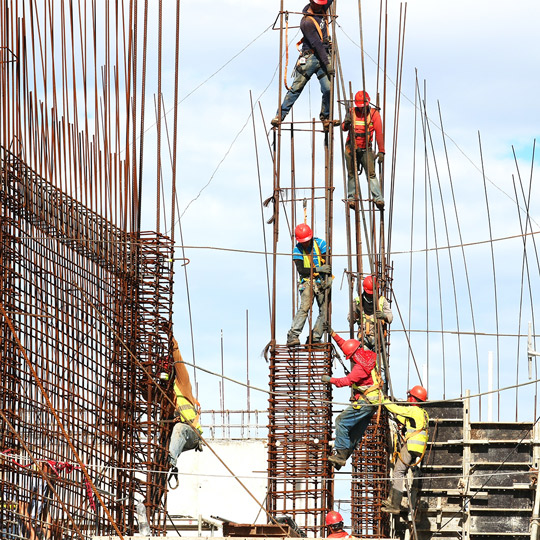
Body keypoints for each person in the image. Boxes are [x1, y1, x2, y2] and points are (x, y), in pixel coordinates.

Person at [271, 0, 336, 129]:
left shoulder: (322, 8)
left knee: (328, 89)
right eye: (318, 4)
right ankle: (280, 116)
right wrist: (327, 64)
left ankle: (326, 117)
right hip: (311, 57)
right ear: (311, 2)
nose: (320, 6)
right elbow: (317, 45)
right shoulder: (306, 22)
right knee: (296, 88)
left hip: (323, 56)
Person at [322, 331, 381, 469]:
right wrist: (333, 334)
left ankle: (341, 455)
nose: (351, 360)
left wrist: (330, 379)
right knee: (355, 433)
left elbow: (346, 381)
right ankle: (341, 458)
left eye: (350, 358)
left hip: (365, 402)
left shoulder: (360, 368)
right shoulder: (368, 356)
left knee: (341, 422)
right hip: (373, 403)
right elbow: (347, 346)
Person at [381, 385, 429, 514]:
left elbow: (397, 409)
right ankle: (392, 500)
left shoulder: (414, 410)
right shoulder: (423, 413)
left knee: (398, 472)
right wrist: (394, 415)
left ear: (414, 399)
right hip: (418, 448)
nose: (408, 398)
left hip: (411, 445)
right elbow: (404, 418)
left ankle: (395, 504)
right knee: (400, 471)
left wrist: (384, 400)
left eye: (410, 396)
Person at [287, 223, 331, 347]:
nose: (305, 243)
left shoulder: (321, 244)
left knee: (325, 311)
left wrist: (328, 277)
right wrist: (318, 269)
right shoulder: (297, 250)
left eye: (307, 241)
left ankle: (315, 338)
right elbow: (301, 270)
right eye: (303, 241)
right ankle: (293, 335)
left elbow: (327, 263)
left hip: (321, 282)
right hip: (307, 282)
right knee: (304, 308)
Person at [168, 337, 203, 489]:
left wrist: (173, 345)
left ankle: (170, 460)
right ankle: (165, 463)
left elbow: (179, 363)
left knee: (179, 428)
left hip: (192, 433)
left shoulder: (181, 384)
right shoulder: (164, 396)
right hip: (176, 439)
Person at [342, 91, 385, 209]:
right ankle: (351, 198)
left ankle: (378, 198)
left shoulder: (374, 114)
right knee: (352, 174)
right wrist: (346, 122)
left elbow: (379, 133)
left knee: (371, 174)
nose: (361, 109)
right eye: (359, 107)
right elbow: (343, 128)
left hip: (366, 149)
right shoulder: (351, 112)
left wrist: (381, 151)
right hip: (351, 148)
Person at [351, 275, 392, 351]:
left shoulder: (382, 300)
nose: (370, 295)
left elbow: (390, 318)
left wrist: (384, 316)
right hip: (364, 340)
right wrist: (356, 313)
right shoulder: (357, 301)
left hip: (378, 340)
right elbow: (350, 320)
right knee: (364, 361)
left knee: (380, 362)